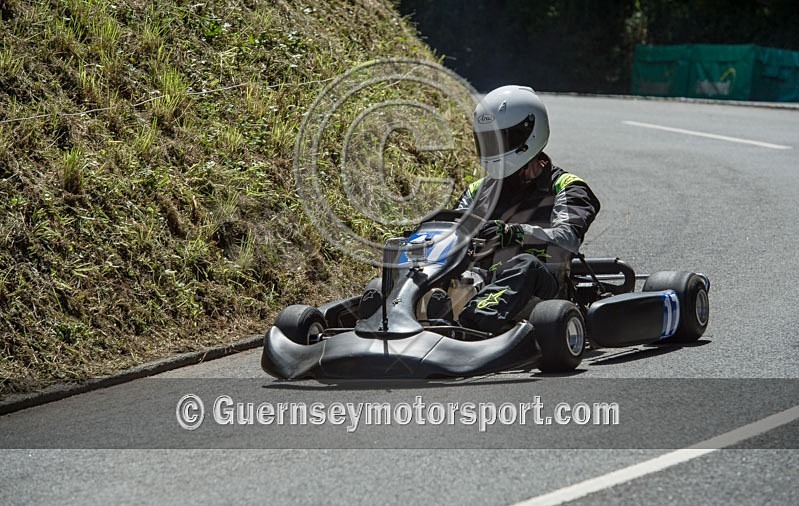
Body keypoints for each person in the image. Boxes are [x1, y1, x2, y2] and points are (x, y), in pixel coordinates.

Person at [454, 85, 601, 334]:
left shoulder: (567, 186)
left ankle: (469, 326)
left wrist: (515, 233)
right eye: (488, 141)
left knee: (525, 264)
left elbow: (568, 239)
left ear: (528, 134)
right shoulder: (478, 190)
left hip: (539, 290)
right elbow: (453, 231)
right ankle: (390, 316)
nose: (494, 149)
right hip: (479, 278)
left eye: (501, 139)